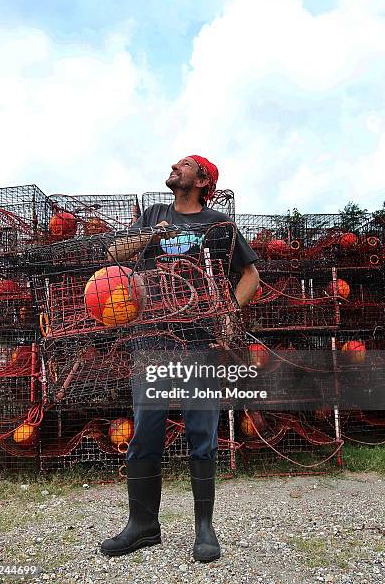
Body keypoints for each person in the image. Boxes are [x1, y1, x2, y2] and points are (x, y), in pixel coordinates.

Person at [101, 155, 259, 562]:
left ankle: (204, 529)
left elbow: (251, 276)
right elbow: (115, 253)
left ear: (203, 179)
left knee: (201, 436)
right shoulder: (154, 214)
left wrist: (228, 311)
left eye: (184, 164)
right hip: (151, 341)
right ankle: (142, 526)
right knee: (144, 434)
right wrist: (153, 234)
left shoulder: (220, 225)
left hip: (200, 342)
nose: (174, 167)